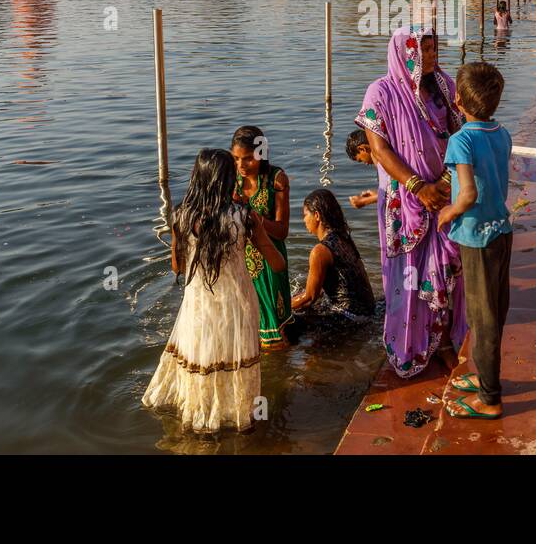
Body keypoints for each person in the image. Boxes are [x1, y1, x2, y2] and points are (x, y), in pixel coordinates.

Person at [142, 148, 284, 434]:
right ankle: (244, 425)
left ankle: (203, 426)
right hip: (238, 303)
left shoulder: (181, 216)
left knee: (204, 359)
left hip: (199, 306)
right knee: (236, 361)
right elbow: (277, 264)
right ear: (227, 180)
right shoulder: (244, 218)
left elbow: (177, 267)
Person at [356, 28, 467, 377]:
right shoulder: (381, 93)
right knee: (408, 277)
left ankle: (446, 337)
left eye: (434, 48)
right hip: (404, 202)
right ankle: (413, 345)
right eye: (425, 50)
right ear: (406, 55)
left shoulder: (445, 86)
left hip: (444, 193)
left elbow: (460, 132)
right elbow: (379, 149)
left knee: (449, 269)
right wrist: (419, 187)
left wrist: (446, 181)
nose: (433, 55)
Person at [437, 62, 512, 420]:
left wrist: (449, 212)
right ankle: (485, 377)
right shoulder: (502, 133)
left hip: (477, 238)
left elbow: (466, 193)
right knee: (494, 309)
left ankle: (490, 398)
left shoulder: (460, 140)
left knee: (483, 320)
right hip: (502, 232)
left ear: (457, 100)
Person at [230, 125, 294, 348]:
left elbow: (282, 231)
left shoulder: (276, 180)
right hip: (241, 260)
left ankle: (281, 373)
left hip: (269, 260)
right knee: (246, 328)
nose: (241, 165)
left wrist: (253, 216)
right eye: (236, 158)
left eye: (247, 159)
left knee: (274, 332)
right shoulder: (232, 179)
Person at [290, 189, 376, 323]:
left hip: (350, 317)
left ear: (317, 215)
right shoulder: (343, 238)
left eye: (305, 215)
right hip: (368, 312)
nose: (304, 220)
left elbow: (310, 297)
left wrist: (280, 308)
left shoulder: (320, 251)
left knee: (287, 323)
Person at [345, 128, 378, 209]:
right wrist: (376, 195)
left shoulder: (385, 163)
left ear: (362, 149)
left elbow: (396, 194)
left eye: (361, 160)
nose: (365, 163)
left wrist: (365, 201)